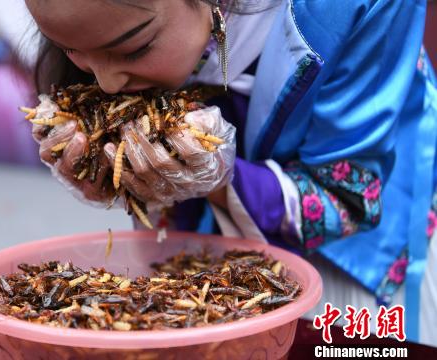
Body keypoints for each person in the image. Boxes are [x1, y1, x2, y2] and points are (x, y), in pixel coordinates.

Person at [24, 0, 437, 345]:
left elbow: (347, 200)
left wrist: (220, 178)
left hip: (357, 252)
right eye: (70, 49)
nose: (107, 84)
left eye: (134, 49)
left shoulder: (353, 7)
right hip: (206, 248)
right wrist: (105, 159)